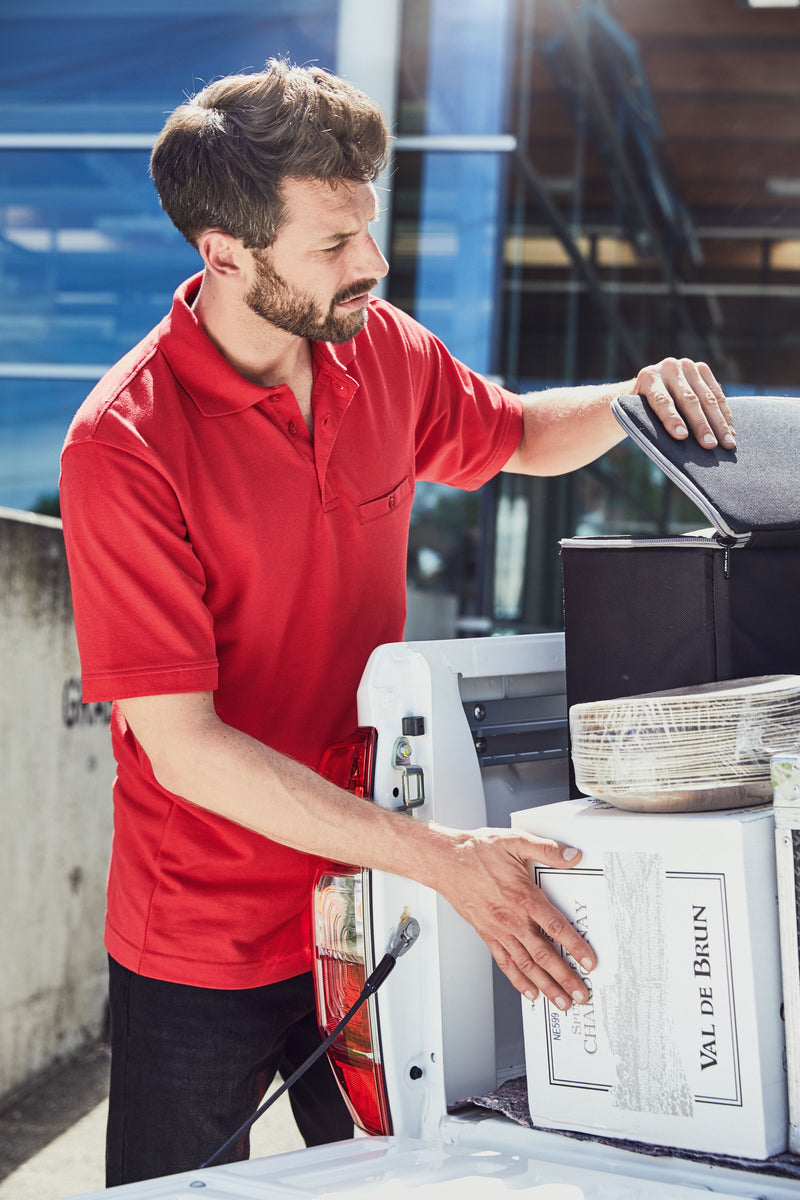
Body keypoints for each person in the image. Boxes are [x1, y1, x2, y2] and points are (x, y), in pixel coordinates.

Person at [59, 59, 736, 1186]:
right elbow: (182, 746)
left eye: (365, 229)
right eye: (330, 246)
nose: (370, 263)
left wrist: (630, 405)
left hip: (370, 899)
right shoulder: (120, 448)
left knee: (412, 1180)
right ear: (222, 253)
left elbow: (515, 433)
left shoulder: (376, 346)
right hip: (208, 928)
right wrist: (447, 861)